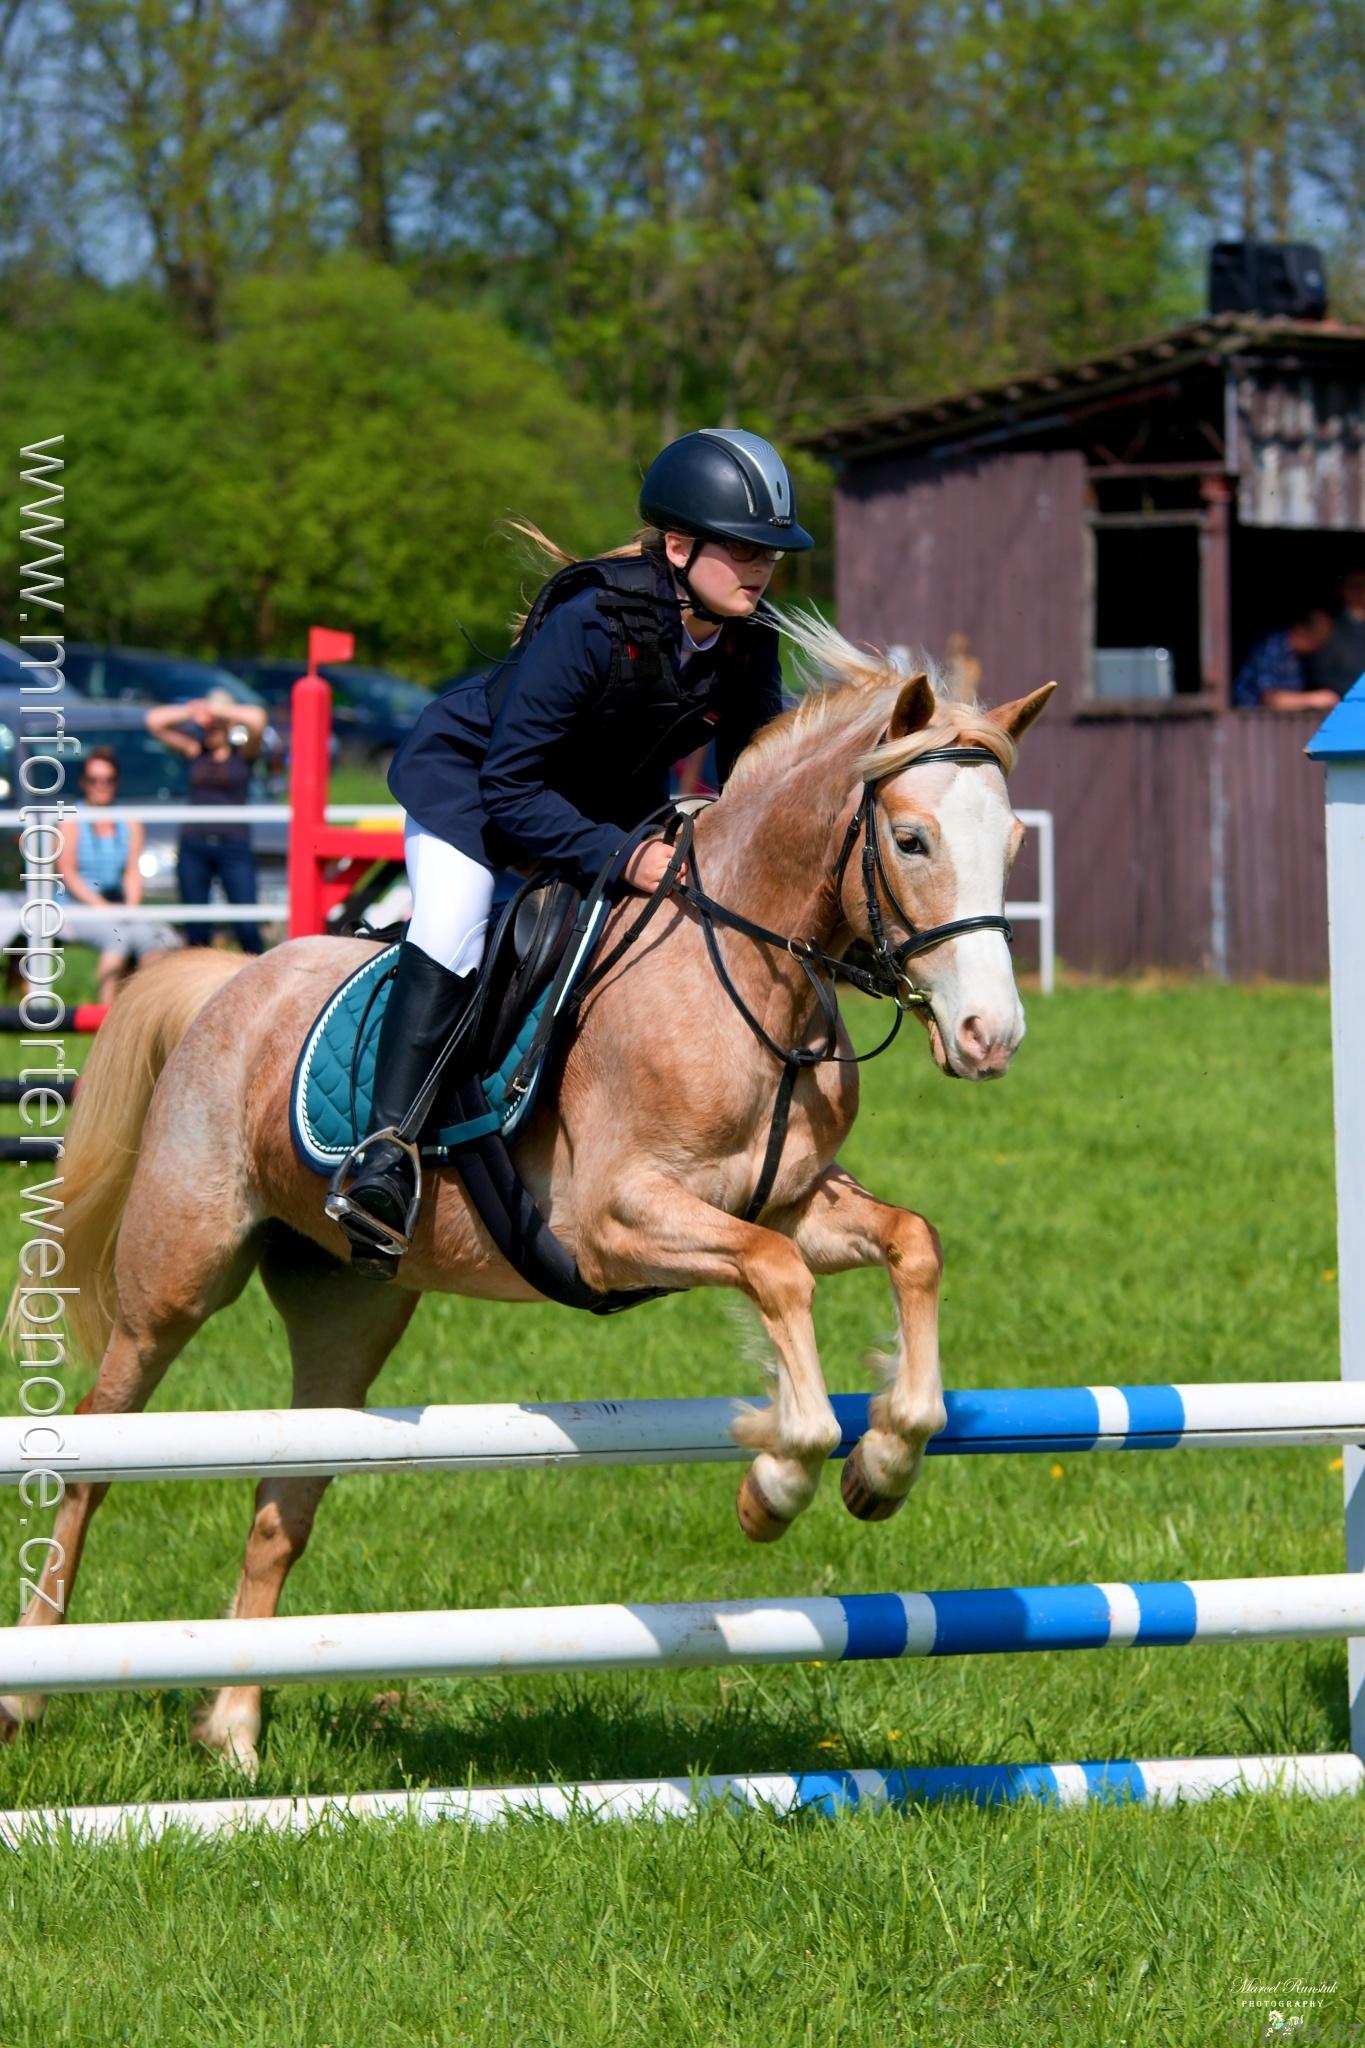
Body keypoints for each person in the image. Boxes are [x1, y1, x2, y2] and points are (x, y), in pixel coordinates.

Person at [331, 426, 813, 1278]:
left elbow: (752, 771)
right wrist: (622, 858)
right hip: (475, 793)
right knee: (453, 928)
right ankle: (383, 1156)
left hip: (606, 808)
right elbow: (511, 787)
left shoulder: (748, 636)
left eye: (769, 553)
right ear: (678, 547)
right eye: (742, 549)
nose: (760, 568)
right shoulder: (593, 621)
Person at [145, 691, 268, 954]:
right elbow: (154, 721)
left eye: (216, 723)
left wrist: (219, 711)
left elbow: (258, 719)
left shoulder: (244, 753)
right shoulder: (195, 749)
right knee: (197, 929)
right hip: (194, 845)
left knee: (247, 926)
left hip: (233, 845)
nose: (211, 728)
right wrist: (193, 711)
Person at [56, 745, 177, 1005]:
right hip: (75, 906)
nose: (101, 786)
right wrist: (102, 907)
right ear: (84, 782)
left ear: (116, 782)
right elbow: (67, 873)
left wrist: (130, 908)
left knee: (153, 940)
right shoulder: (71, 819)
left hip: (116, 905)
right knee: (117, 938)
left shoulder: (129, 822)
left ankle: (144, 1010)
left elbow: (132, 872)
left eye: (108, 780)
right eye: (94, 780)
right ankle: (105, 1012)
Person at [1232, 608, 1337, 711]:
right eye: (1316, 641)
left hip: (1281, 719)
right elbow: (1270, 699)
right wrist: (1313, 699)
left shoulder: (1300, 657)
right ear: (1300, 630)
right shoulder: (1273, 647)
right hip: (1249, 718)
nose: (1318, 648)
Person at [1310, 571, 1365, 699]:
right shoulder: (1331, 629)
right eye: (1356, 587)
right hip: (1347, 703)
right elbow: (1322, 676)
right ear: (1344, 591)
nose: (1361, 592)